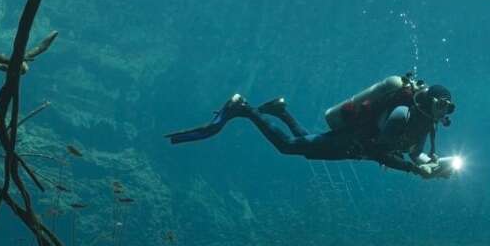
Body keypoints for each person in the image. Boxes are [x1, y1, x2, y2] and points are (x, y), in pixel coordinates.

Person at [167, 72, 461, 179]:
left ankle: (281, 111)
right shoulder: (401, 115)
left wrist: (433, 167)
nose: (442, 113)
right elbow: (380, 152)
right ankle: (243, 109)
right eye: (439, 106)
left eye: (446, 109)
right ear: (428, 101)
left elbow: (414, 154)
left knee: (307, 145)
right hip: (351, 142)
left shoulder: (424, 124)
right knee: (288, 147)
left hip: (352, 148)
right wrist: (414, 170)